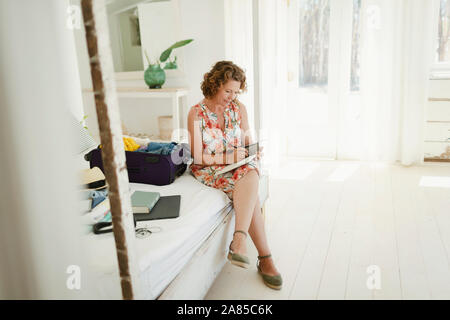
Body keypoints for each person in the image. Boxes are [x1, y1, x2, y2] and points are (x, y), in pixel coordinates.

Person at [187, 61, 282, 290]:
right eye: (228, 90)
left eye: (236, 91)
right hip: (210, 168)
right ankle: (265, 258)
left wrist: (253, 149)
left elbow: (248, 139)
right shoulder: (196, 113)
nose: (232, 96)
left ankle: (239, 241)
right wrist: (227, 158)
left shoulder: (239, 108)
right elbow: (198, 156)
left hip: (239, 164)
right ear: (214, 85)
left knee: (250, 170)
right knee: (250, 185)